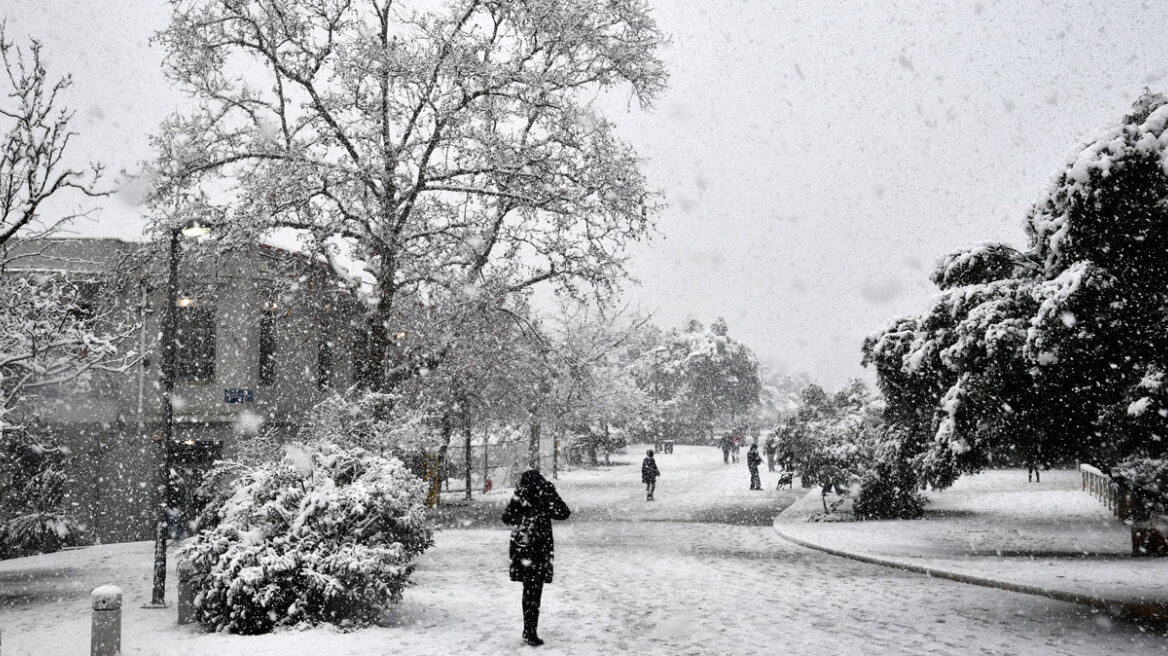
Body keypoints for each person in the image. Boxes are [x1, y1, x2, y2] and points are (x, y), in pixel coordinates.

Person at [501, 469, 572, 646]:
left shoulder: (520, 492)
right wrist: (546, 507)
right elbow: (564, 512)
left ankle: (529, 628)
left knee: (528, 588)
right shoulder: (546, 491)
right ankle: (530, 630)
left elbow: (507, 517)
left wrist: (523, 515)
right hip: (540, 546)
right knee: (535, 588)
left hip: (522, 546)